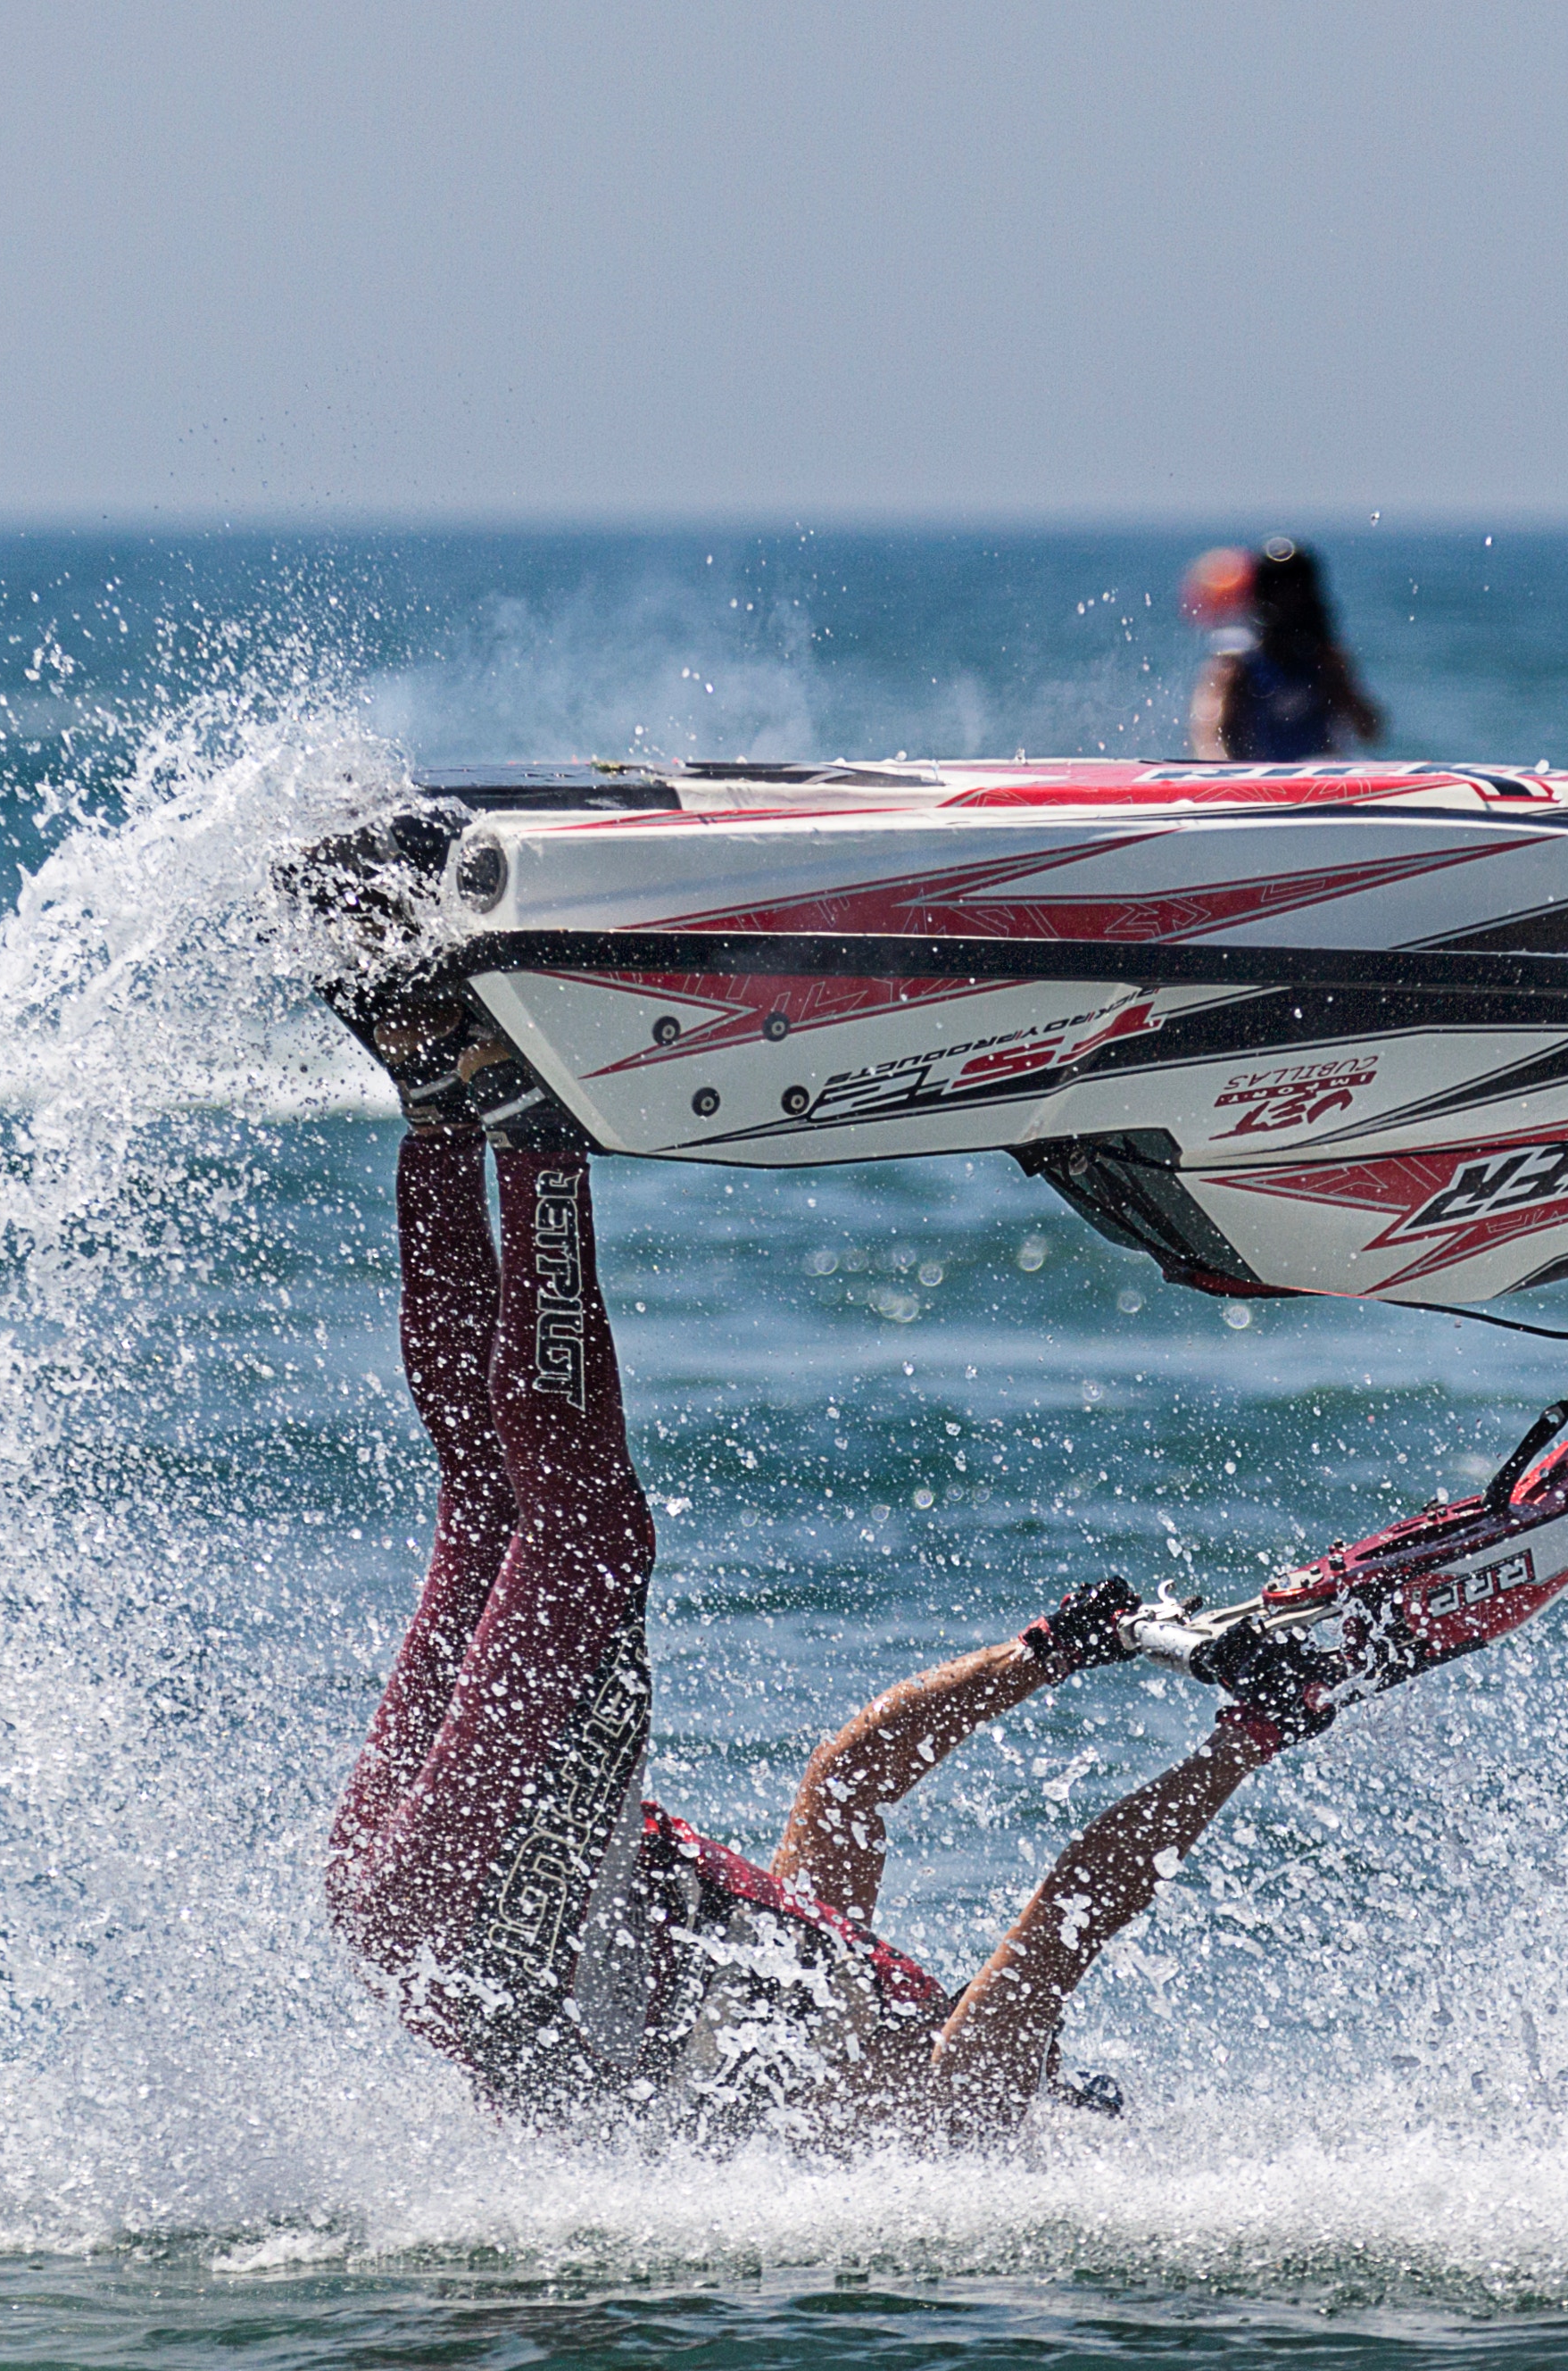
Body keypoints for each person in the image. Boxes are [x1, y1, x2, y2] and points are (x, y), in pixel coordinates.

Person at [325, 1008, 1306, 2143]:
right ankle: (437, 1101)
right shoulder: (820, 1991)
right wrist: (1043, 1652)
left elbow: (1065, 1920)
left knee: (588, 1544)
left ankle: (533, 1138)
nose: (1043, 2065)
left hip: (494, 1912)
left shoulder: (943, 2120)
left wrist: (1247, 1742)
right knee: (493, 1508)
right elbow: (851, 1782)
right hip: (409, 1908)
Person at [1184, 537, 1388, 762]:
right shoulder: (1235, 664)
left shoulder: (1324, 660)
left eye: (1297, 593)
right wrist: (1223, 773)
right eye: (1280, 593)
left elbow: (1369, 731)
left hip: (1318, 776)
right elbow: (1207, 734)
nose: (1290, 604)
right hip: (1256, 779)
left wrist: (1341, 682)